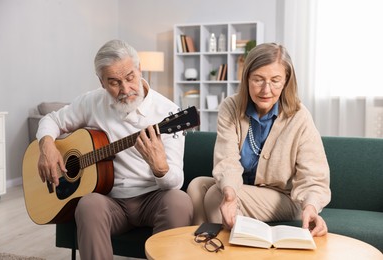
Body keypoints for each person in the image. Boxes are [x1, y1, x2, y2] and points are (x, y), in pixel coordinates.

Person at [36, 39, 193, 259]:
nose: (125, 89)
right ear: (101, 82)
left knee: (180, 201)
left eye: (130, 78)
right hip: (109, 201)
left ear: (140, 70)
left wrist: (160, 168)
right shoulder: (92, 102)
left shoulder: (167, 112)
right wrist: (47, 145)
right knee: (88, 205)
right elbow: (52, 119)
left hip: (153, 198)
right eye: (114, 82)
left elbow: (175, 182)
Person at [187, 43, 331, 237]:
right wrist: (230, 194)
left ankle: (230, 252)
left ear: (286, 81)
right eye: (258, 79)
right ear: (247, 78)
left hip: (283, 198)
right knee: (197, 186)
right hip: (244, 189)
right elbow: (226, 159)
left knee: (214, 194)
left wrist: (311, 207)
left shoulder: (299, 116)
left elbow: (314, 175)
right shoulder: (231, 107)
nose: (266, 89)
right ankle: (200, 248)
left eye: (275, 80)